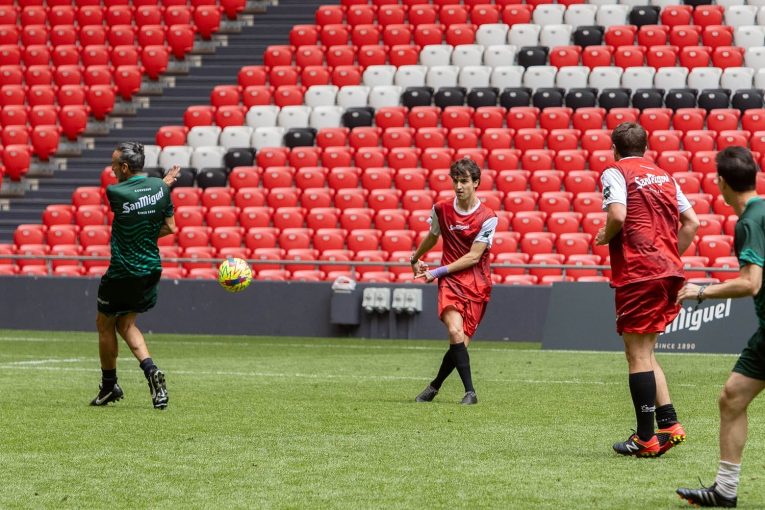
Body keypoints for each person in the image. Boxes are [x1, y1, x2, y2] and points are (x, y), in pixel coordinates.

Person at [595, 122, 699, 456]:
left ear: (614, 148)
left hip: (640, 273)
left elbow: (618, 215)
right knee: (647, 351)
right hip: (668, 272)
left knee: (636, 354)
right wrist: (668, 257)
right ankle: (669, 424)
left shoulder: (615, 171)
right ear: (646, 148)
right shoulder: (665, 176)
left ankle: (645, 438)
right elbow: (693, 223)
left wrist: (606, 235)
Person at [676, 146, 765, 507]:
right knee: (732, 398)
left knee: (732, 398)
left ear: (721, 182)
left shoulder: (749, 221)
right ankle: (725, 490)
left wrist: (702, 291)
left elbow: (750, 283)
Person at [90, 142, 179, 410]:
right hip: (150, 268)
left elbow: (135, 197)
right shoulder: (161, 188)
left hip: (122, 270)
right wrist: (163, 184)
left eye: (115, 164)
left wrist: (161, 185)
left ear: (125, 167)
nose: (112, 169)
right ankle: (152, 372)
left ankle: (109, 386)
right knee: (126, 325)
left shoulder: (114, 191)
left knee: (104, 324)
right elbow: (170, 227)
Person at [411, 158, 498, 405]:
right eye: (455, 181)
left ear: (476, 183)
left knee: (459, 342)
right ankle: (470, 392)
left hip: (477, 284)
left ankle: (434, 386)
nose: (459, 186)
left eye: (464, 181)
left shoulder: (488, 217)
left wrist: (435, 272)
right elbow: (432, 236)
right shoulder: (441, 209)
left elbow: (473, 256)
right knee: (454, 330)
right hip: (450, 282)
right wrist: (415, 257)